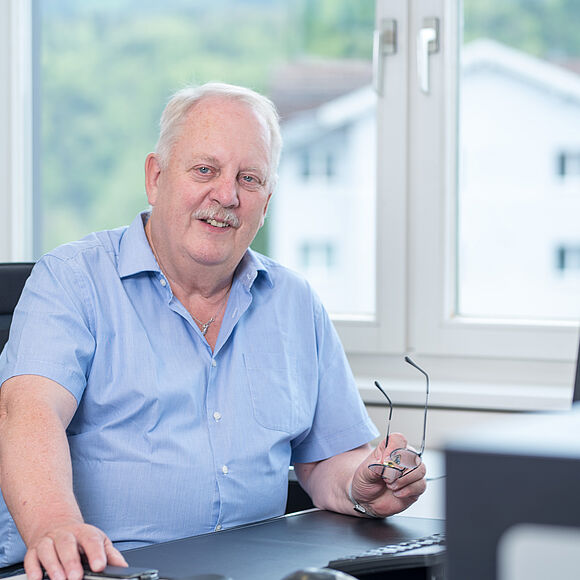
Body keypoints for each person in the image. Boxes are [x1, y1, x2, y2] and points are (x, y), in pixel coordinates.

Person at [0, 82, 426, 580]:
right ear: (156, 178)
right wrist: (56, 525)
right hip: (106, 569)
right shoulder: (72, 280)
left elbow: (328, 462)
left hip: (258, 568)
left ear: (266, 201)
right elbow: (27, 413)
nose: (226, 195)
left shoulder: (295, 302)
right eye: (205, 170)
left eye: (249, 179)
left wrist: (363, 485)